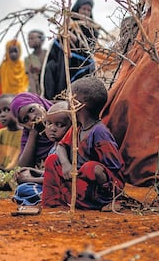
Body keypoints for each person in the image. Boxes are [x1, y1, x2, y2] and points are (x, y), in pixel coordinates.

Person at [42, 77, 124, 210]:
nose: (67, 104)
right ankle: (54, 202)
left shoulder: (99, 132)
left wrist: (112, 191)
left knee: (91, 168)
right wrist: (66, 165)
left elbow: (115, 168)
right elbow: (61, 147)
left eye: (69, 100)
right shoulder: (77, 128)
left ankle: (106, 203)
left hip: (98, 189)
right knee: (52, 159)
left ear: (79, 104)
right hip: (78, 182)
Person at [12, 100, 72, 206]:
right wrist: (32, 170)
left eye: (59, 125)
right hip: (53, 185)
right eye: (48, 123)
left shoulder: (68, 148)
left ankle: (46, 199)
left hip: (63, 187)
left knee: (23, 189)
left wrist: (29, 179)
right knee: (23, 189)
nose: (52, 129)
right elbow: (51, 172)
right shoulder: (55, 145)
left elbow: (56, 179)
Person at [43, 0, 100, 100]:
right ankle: (54, 98)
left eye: (88, 10)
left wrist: (75, 40)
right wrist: (64, 36)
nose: (86, 12)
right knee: (51, 67)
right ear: (77, 9)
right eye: (83, 9)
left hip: (81, 65)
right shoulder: (66, 25)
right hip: (63, 63)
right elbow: (57, 47)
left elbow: (90, 50)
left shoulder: (92, 29)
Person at [0, 39, 28, 140]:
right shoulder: (3, 67)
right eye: (10, 51)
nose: (13, 54)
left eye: (15, 51)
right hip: (6, 102)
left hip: (21, 103)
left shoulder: (24, 66)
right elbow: (0, 87)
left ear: (20, 51)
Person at [24, 29, 47, 95]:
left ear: (41, 39)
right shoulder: (28, 59)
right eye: (28, 39)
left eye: (32, 38)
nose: (29, 41)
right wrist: (35, 95)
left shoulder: (48, 54)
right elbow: (31, 79)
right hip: (35, 89)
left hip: (48, 87)